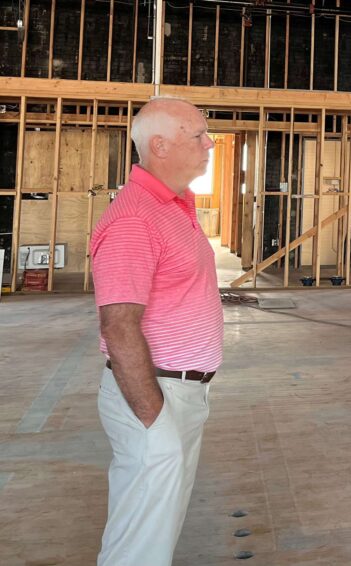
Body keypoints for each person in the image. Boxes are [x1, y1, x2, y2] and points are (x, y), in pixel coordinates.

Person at [90, 96, 221, 566]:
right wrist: (154, 420)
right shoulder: (135, 218)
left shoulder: (175, 205)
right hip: (153, 393)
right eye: (199, 135)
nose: (209, 143)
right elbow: (119, 326)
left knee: (156, 535)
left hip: (180, 391)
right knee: (139, 545)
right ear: (160, 146)